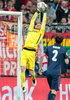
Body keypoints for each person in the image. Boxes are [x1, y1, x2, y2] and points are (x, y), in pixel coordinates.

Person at [20, 3, 47, 93]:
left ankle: (33, 78)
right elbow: (32, 20)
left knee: (31, 71)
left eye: (39, 25)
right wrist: (37, 12)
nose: (38, 25)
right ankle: (23, 86)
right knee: (23, 68)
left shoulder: (40, 32)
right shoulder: (31, 29)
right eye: (37, 24)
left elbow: (43, 23)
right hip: (24, 51)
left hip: (32, 53)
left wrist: (45, 12)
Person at [39, 34, 69, 100]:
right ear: (62, 41)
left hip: (48, 72)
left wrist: (40, 67)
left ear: (54, 40)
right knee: (54, 91)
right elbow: (67, 62)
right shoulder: (63, 50)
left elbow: (41, 56)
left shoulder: (49, 47)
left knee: (52, 90)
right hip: (56, 73)